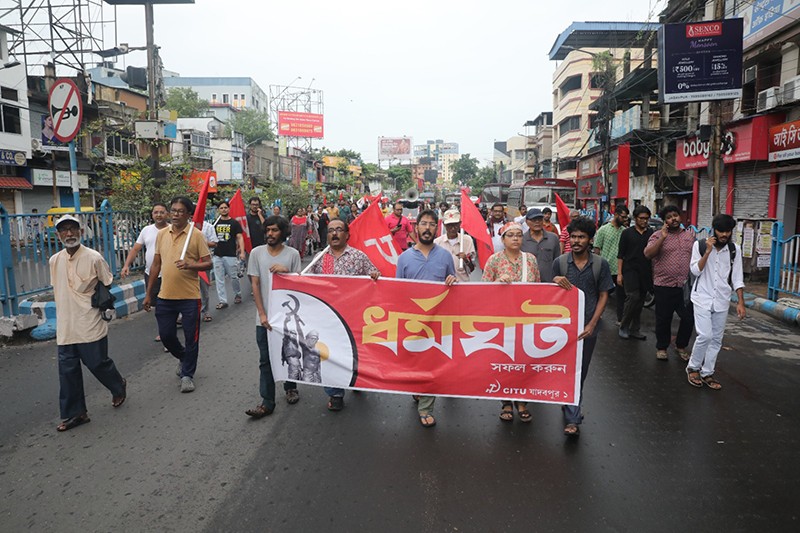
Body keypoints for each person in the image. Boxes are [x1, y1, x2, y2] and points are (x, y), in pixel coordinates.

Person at [50, 214, 127, 432]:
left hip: (90, 322)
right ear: (58, 235)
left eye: (73, 229)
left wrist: (105, 306)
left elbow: (107, 282)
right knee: (67, 372)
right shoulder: (54, 260)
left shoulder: (94, 257)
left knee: (97, 363)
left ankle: (118, 385)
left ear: (81, 232)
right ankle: (76, 414)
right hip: (65, 326)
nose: (69, 233)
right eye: (64, 230)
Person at [552, 216, 614, 436]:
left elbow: (604, 294)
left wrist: (593, 323)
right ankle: (570, 405)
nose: (577, 241)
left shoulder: (600, 264)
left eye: (582, 237)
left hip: (587, 329)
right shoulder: (559, 263)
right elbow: (546, 295)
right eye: (574, 236)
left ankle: (572, 418)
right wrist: (555, 280)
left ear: (590, 239)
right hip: (560, 329)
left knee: (580, 372)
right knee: (563, 371)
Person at [309, 218, 380, 411]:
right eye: (331, 230)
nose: (334, 233)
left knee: (355, 354)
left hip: (355, 317)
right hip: (328, 318)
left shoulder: (358, 257)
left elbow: (376, 276)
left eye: (339, 229)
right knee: (330, 355)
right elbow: (305, 283)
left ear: (347, 235)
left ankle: (358, 380)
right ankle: (335, 393)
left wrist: (374, 276)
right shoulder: (319, 258)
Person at [143, 197, 212, 393]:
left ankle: (187, 374)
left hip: (190, 297)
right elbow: (156, 264)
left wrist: (190, 265)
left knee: (192, 338)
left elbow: (208, 263)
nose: (175, 214)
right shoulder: (162, 234)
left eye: (181, 211)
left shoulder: (196, 235)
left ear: (189, 214)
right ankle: (183, 356)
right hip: (165, 296)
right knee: (166, 336)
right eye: (173, 210)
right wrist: (149, 294)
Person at [396, 209, 457, 428]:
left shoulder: (445, 256)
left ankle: (426, 408)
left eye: (432, 224)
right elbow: (396, 290)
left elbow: (455, 285)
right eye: (424, 224)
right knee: (414, 361)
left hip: (437, 322)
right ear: (416, 228)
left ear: (436, 228)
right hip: (412, 322)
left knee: (431, 362)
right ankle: (417, 388)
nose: (428, 228)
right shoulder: (404, 258)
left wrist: (452, 280)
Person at [481, 221, 541, 423]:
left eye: (518, 235)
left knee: (524, 362)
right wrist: (498, 284)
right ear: (503, 239)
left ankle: (522, 400)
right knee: (504, 361)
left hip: (526, 321)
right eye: (510, 235)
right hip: (502, 321)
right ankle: (506, 400)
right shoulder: (494, 261)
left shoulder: (530, 260)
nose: (515, 238)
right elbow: (482, 291)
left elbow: (539, 289)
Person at [245, 215, 303, 418]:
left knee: (289, 355)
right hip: (265, 320)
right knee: (265, 360)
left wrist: (286, 272)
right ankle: (267, 402)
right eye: (268, 230)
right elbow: (255, 284)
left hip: (287, 318)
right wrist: (262, 314)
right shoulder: (256, 253)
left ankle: (290, 386)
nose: (270, 234)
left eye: (275, 230)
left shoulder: (292, 254)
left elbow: (300, 284)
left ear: (283, 232)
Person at [686, 214, 746, 390]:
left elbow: (737, 278)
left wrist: (741, 302)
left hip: (721, 300)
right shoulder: (700, 245)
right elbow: (695, 271)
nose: (724, 235)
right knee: (705, 335)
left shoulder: (735, 250)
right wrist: (707, 252)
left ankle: (707, 372)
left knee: (716, 340)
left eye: (728, 231)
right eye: (721, 231)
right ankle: (693, 367)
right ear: (714, 230)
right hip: (702, 298)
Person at [644, 205, 696, 361]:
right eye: (669, 217)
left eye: (675, 215)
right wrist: (663, 238)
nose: (673, 219)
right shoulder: (657, 235)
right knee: (663, 318)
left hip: (684, 286)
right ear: (664, 221)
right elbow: (648, 254)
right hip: (663, 285)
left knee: (688, 318)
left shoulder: (689, 236)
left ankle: (681, 346)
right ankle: (662, 347)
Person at [120, 203, 169, 341]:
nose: (158, 215)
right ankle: (166, 328)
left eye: (161, 212)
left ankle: (166, 334)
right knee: (158, 306)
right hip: (151, 274)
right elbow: (135, 249)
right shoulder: (146, 230)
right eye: (155, 212)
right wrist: (126, 265)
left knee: (165, 305)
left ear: (167, 214)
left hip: (169, 274)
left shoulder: (172, 230)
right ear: (152, 215)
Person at [617, 206, 653, 341]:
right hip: (630, 270)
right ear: (635, 219)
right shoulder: (627, 233)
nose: (644, 221)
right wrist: (620, 274)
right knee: (633, 297)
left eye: (646, 218)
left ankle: (635, 329)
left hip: (645, 271)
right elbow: (620, 255)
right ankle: (624, 325)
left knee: (640, 301)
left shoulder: (651, 233)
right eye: (641, 218)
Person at [593, 205, 630, 325]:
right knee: (602, 294)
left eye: (626, 217)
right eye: (623, 217)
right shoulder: (604, 230)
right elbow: (597, 249)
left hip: (619, 269)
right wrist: (597, 266)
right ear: (616, 215)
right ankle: (597, 315)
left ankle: (620, 319)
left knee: (621, 296)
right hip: (605, 268)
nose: (625, 220)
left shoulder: (625, 231)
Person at [213, 200, 245, 309]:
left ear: (229, 209)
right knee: (219, 279)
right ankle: (223, 301)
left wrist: (242, 252)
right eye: (221, 208)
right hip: (217, 255)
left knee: (234, 277)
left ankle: (237, 294)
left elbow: (240, 237)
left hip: (230, 254)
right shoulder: (215, 223)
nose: (223, 210)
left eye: (225, 208)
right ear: (218, 210)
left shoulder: (234, 223)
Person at [434, 208, 476, 282]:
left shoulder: (467, 240)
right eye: (449, 225)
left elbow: (471, 269)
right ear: (444, 224)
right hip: (444, 284)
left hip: (462, 283)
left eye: (455, 224)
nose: (453, 228)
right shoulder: (437, 243)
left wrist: (466, 260)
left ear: (460, 223)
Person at [520, 208, 560, 282]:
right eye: (533, 220)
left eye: (539, 219)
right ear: (526, 221)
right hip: (528, 283)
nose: (537, 222)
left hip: (549, 283)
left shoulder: (553, 238)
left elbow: (557, 261)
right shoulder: (521, 240)